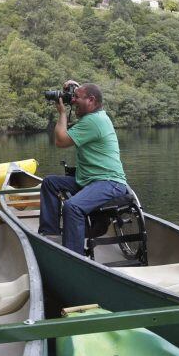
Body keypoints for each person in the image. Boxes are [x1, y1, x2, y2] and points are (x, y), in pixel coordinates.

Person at [38, 81, 129, 255]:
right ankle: (50, 234)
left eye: (76, 98)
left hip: (109, 182)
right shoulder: (95, 115)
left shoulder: (93, 121)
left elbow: (60, 141)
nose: (72, 100)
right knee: (50, 183)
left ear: (91, 100)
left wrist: (62, 113)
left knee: (72, 207)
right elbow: (86, 94)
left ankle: (74, 256)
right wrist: (74, 87)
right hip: (89, 180)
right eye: (72, 97)